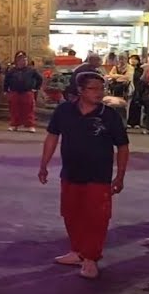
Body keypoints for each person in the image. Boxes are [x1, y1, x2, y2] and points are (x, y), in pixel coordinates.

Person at [38, 72, 130, 280]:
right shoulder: (64, 111)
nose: (99, 93)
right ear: (80, 90)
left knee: (97, 218)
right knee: (71, 213)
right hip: (71, 172)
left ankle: (91, 258)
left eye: (101, 89)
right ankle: (77, 250)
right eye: (93, 89)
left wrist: (120, 175)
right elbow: (52, 137)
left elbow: (122, 146)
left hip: (98, 175)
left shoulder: (109, 115)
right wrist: (44, 164)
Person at [4, 51, 42, 132]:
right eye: (22, 60)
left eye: (25, 60)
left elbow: (39, 79)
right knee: (14, 109)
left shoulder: (31, 70)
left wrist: (36, 88)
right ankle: (14, 125)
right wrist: (5, 90)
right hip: (15, 92)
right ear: (18, 62)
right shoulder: (12, 70)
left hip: (27, 92)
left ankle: (30, 125)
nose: (24, 62)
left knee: (29, 109)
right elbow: (6, 80)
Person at [126, 54, 145, 128]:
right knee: (129, 106)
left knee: (137, 105)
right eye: (131, 58)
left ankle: (136, 122)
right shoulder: (127, 69)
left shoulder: (140, 70)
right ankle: (129, 122)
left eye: (135, 59)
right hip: (128, 88)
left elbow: (142, 80)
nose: (133, 60)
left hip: (138, 88)